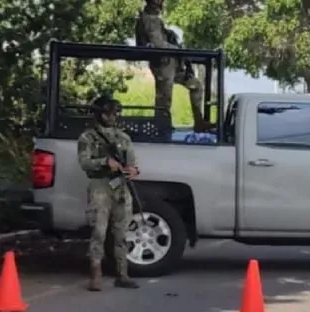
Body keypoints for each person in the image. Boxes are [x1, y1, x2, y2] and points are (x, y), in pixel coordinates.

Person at [77, 95, 140, 291]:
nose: (113, 117)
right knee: (99, 232)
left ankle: (123, 273)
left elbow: (132, 163)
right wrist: (104, 162)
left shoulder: (123, 137)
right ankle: (96, 274)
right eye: (109, 113)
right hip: (100, 186)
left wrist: (133, 171)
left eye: (114, 113)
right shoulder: (87, 137)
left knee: (121, 233)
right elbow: (84, 162)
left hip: (121, 187)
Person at [135, 0, 211, 132]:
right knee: (164, 99)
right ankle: (162, 128)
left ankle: (199, 122)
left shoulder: (155, 20)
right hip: (162, 64)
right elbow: (158, 44)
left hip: (173, 64)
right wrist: (177, 49)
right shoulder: (148, 19)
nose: (161, 4)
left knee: (196, 86)